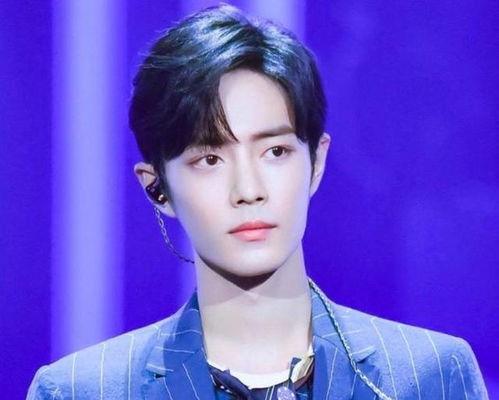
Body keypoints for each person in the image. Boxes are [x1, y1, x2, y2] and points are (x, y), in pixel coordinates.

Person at [27, 4, 489, 400]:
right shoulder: (82, 390)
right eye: (209, 159)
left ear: (316, 162)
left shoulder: (430, 377)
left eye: (276, 152)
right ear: (157, 187)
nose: (248, 189)